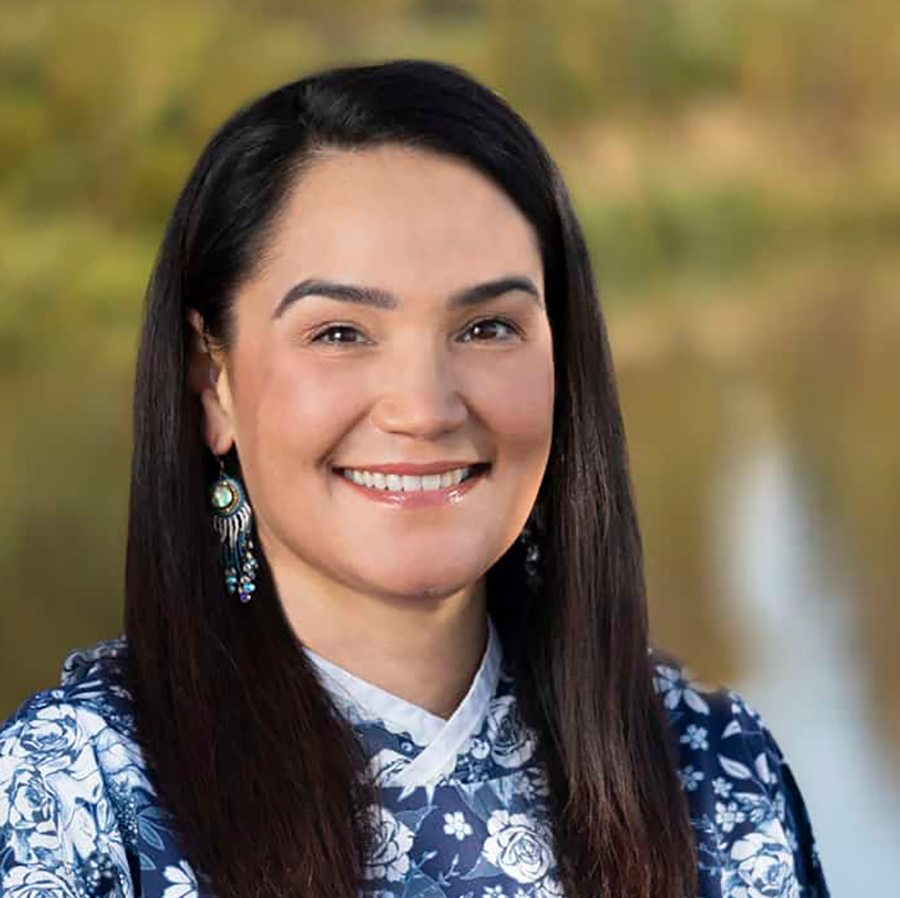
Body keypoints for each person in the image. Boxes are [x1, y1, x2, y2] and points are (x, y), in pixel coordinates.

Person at [0, 60, 829, 898]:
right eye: (339, 333)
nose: (426, 409)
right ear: (210, 381)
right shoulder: (75, 796)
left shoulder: (717, 775)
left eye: (488, 326)